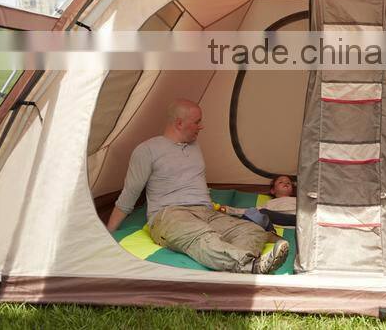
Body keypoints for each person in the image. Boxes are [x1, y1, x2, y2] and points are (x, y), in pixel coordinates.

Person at [106, 99, 289, 274]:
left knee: (252, 230)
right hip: (170, 214)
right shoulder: (146, 150)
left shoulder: (194, 146)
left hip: (205, 212)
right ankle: (250, 266)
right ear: (179, 123)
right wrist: (108, 234)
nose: (201, 126)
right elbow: (129, 194)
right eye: (197, 122)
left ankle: (238, 265)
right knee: (204, 236)